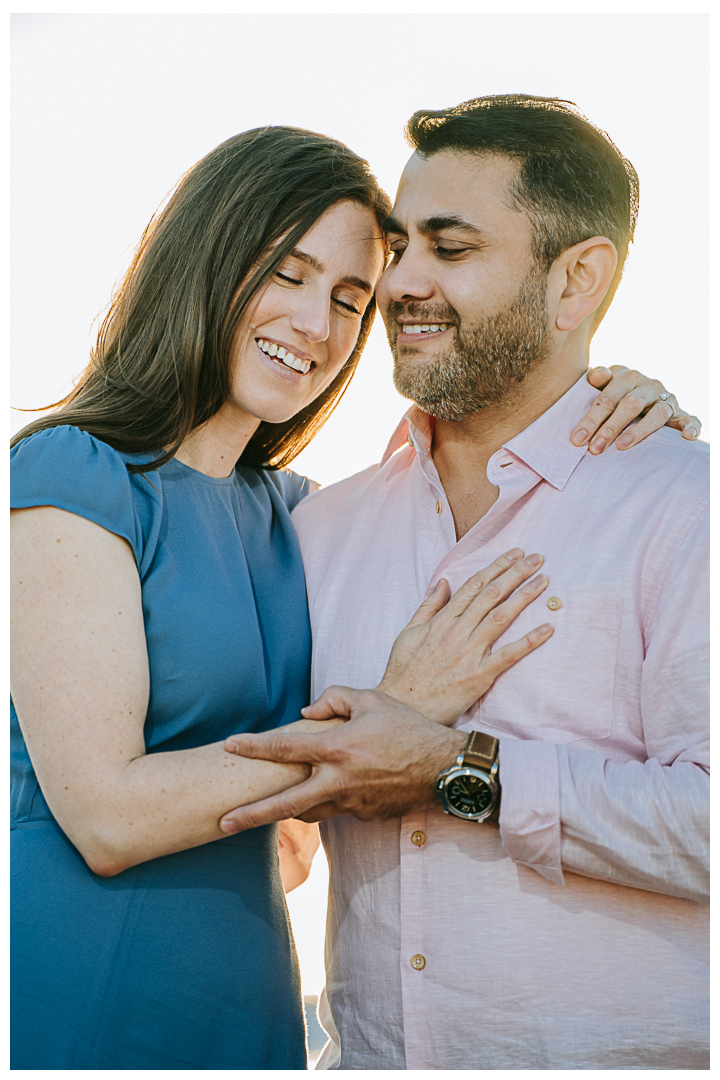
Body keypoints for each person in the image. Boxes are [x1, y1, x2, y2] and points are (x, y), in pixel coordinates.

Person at [219, 96, 710, 1070]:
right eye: (399, 247)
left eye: (449, 248)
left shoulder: (688, 508)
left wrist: (459, 769)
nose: (399, 283)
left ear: (578, 281)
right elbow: (280, 826)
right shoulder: (317, 528)